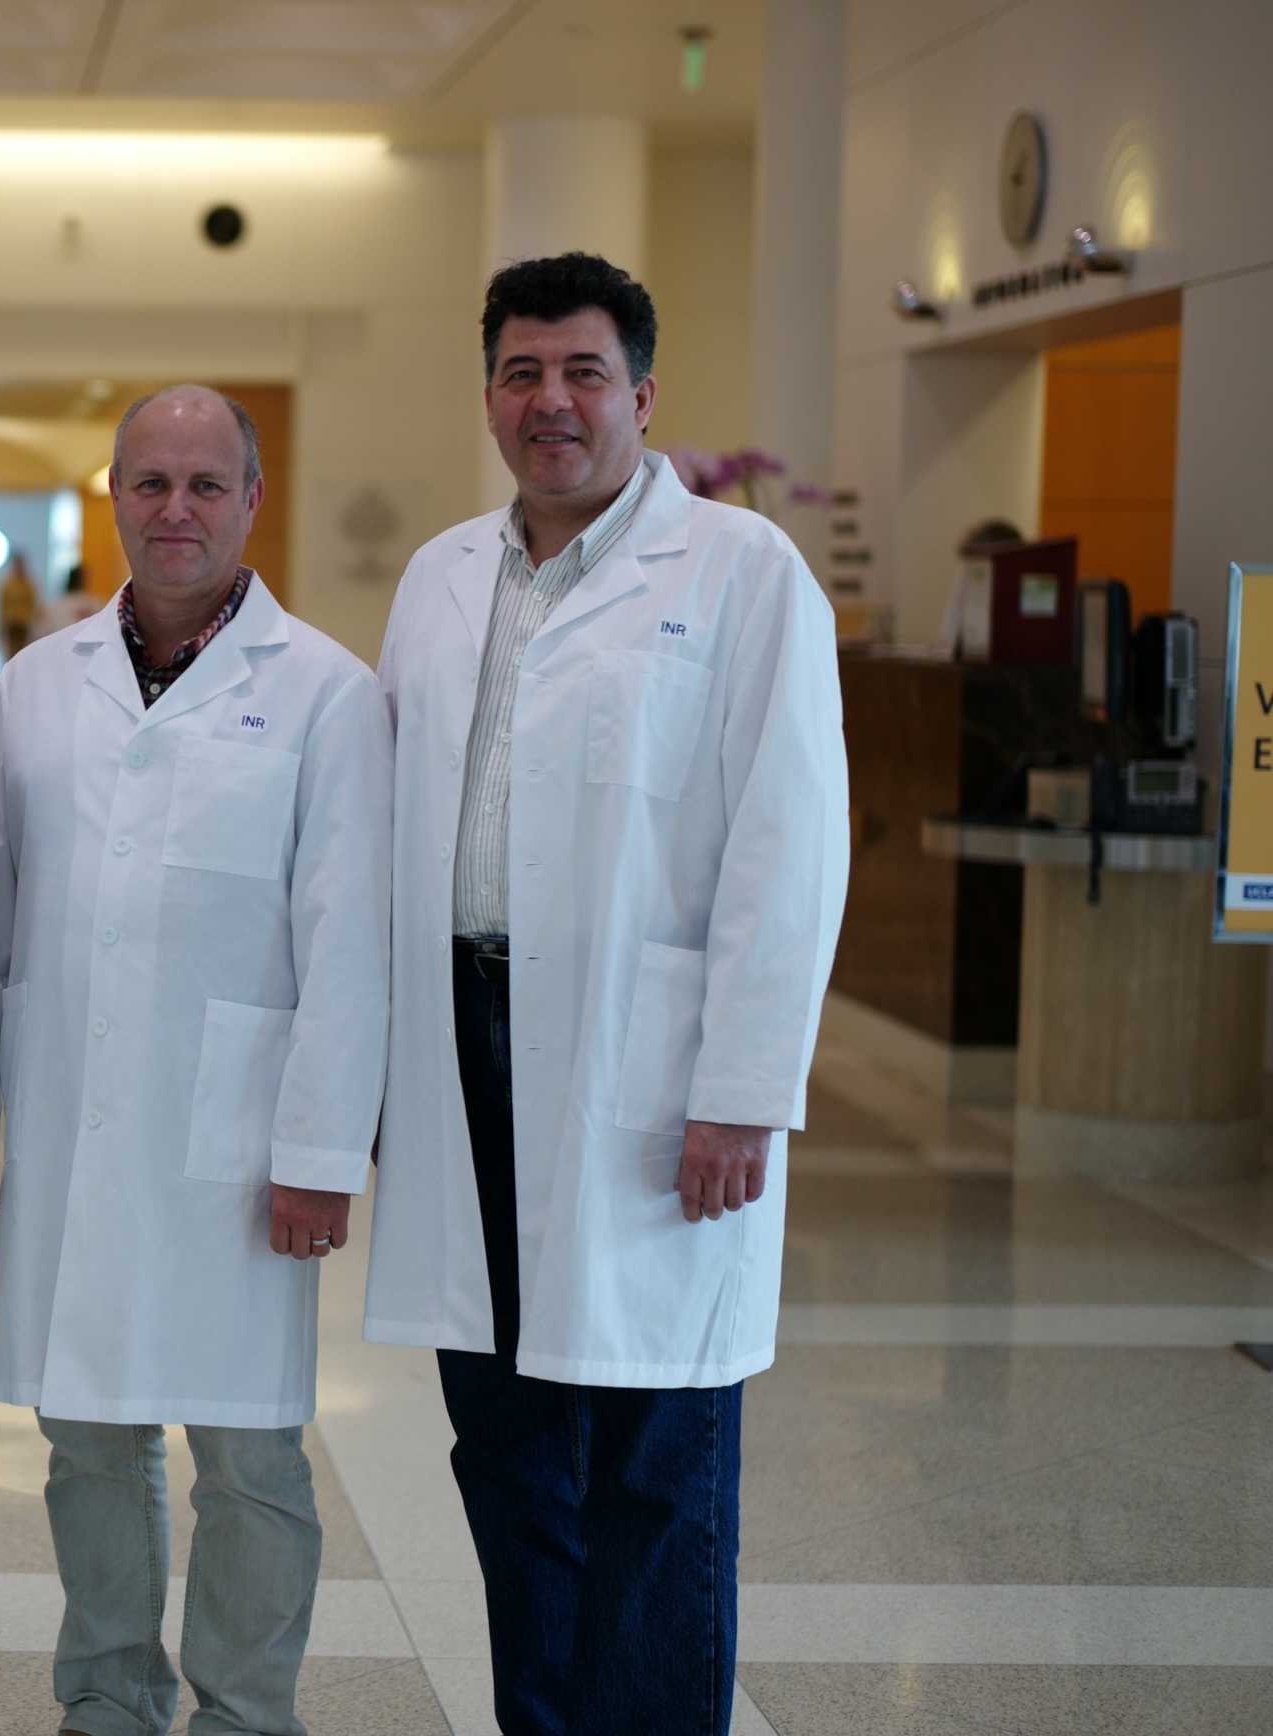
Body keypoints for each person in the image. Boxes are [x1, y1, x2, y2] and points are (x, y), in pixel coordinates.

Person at [362, 252, 848, 1735]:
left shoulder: (743, 570)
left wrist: (741, 1091)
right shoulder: (443, 574)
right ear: (490, 395)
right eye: (522, 373)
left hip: (648, 1068)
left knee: (653, 1456)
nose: (551, 402)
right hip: (465, 1045)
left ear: (642, 396)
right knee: (504, 1445)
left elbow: (793, 842)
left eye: (582, 373)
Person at [0, 387, 392, 1736]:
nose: (175, 510)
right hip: (72, 1122)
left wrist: (317, 1150)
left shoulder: (326, 692)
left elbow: (347, 942)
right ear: (113, 499)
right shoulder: (34, 686)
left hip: (239, 1142)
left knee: (250, 1455)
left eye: (205, 485)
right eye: (149, 485)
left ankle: (246, 1711)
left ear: (253, 501)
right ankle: (109, 1699)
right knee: (87, 1439)